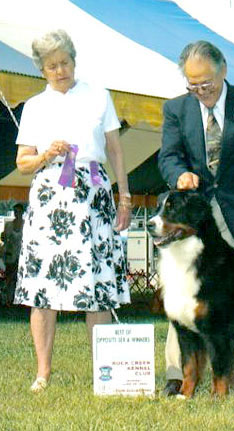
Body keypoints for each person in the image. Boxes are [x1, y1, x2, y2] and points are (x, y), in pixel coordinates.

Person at [158, 41, 234, 396]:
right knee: (184, 292)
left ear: (223, 70)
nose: (201, 91)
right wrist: (179, 174)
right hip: (193, 220)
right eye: (192, 85)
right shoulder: (175, 110)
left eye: (207, 83)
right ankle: (178, 374)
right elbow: (168, 156)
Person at [13, 29, 132, 393]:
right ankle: (43, 373)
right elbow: (22, 163)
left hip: (94, 195)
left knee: (97, 288)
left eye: (64, 62)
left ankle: (104, 372)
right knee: (43, 288)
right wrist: (47, 154)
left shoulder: (100, 96)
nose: (60, 70)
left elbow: (114, 151)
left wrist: (124, 195)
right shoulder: (34, 106)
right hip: (50, 201)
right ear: (42, 70)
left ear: (74, 61)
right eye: (51, 66)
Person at [3, 203, 24, 306]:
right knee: (9, 278)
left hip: (22, 256)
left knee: (19, 278)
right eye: (15, 211)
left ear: (22, 212)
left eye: (18, 211)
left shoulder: (26, 225)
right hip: (11, 255)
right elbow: (5, 240)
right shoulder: (8, 225)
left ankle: (19, 301)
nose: (17, 213)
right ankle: (8, 300)